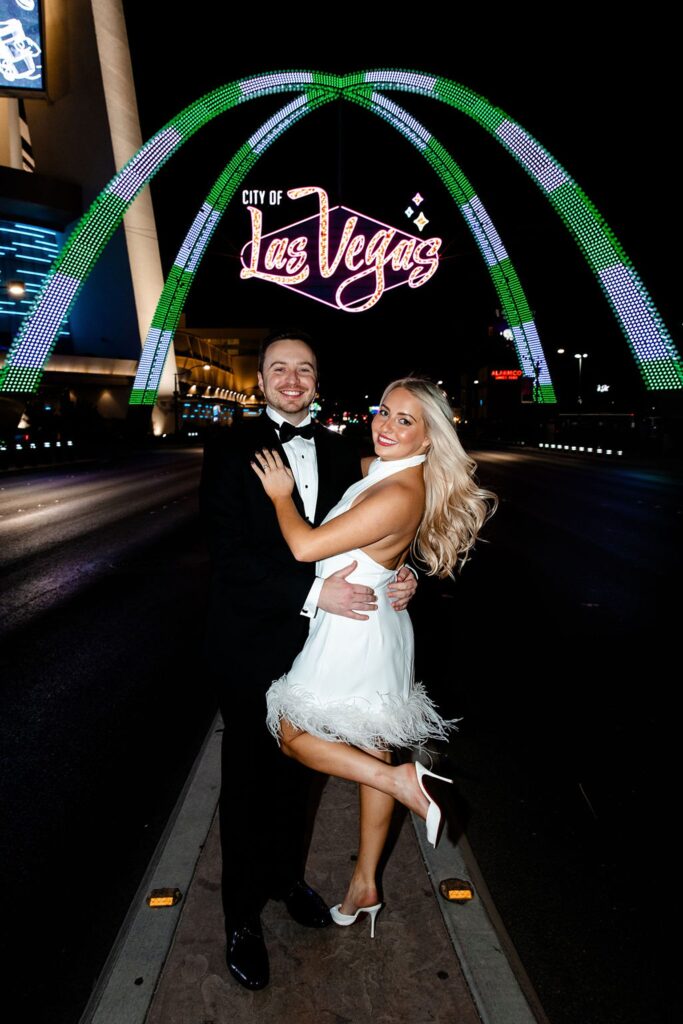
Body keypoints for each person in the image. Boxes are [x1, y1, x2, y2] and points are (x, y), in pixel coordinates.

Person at [199, 332, 418, 990]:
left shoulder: (341, 452)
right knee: (245, 783)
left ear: (317, 381)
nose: (291, 380)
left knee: (299, 780)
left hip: (325, 647)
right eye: (278, 370)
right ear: (259, 381)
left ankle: (285, 880)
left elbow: (375, 536)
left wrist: (402, 576)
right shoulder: (229, 447)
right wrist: (313, 591)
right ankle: (240, 917)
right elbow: (228, 554)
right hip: (250, 644)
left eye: (304, 369)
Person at [251, 377, 495, 934]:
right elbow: (358, 479)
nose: (386, 425)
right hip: (377, 617)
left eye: (405, 420)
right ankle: (365, 884)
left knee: (292, 734)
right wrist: (401, 568)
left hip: (354, 628)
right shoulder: (386, 472)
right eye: (383, 411)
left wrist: (281, 496)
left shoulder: (397, 493)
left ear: (430, 437)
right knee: (371, 746)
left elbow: (305, 547)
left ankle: (402, 783)